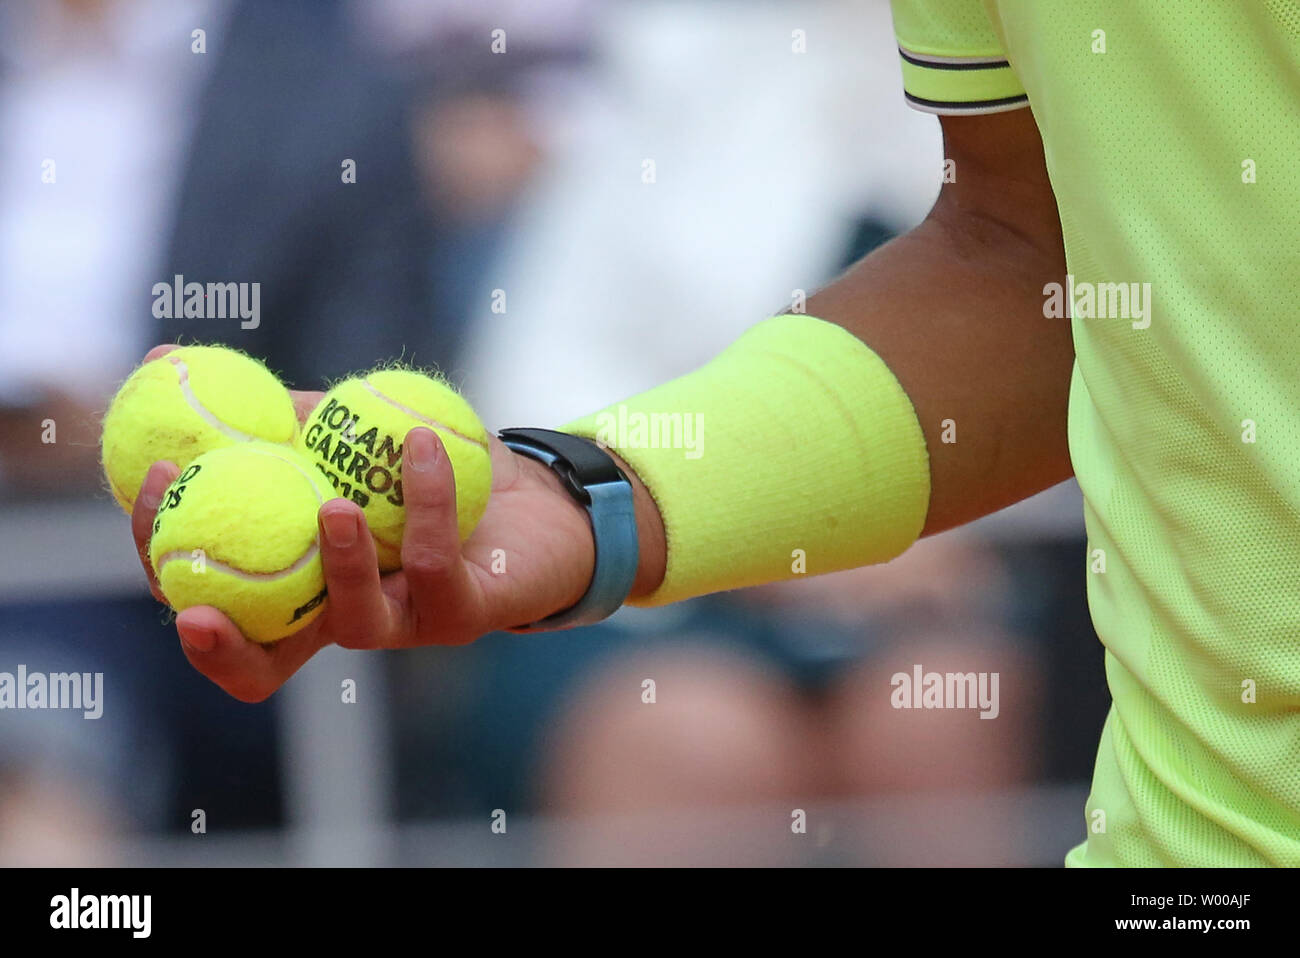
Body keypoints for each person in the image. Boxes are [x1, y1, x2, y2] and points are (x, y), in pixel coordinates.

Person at [129, 2, 1300, 866]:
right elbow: (1037, 260)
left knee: (935, 708)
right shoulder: (683, 84)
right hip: (1182, 858)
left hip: (958, 609)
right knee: (686, 745)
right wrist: (592, 494)